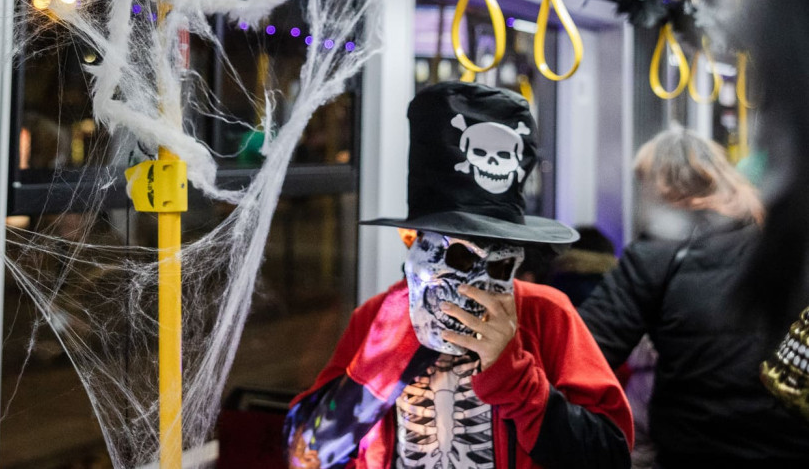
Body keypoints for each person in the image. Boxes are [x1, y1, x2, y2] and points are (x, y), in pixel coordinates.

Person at [285, 82, 632, 469]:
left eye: (498, 262)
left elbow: (608, 458)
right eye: (459, 257)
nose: (471, 285)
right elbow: (307, 456)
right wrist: (383, 359)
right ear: (412, 242)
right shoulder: (377, 319)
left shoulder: (545, 314)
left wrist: (514, 374)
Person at [579, 127, 809, 467]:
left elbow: (585, 352)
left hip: (695, 450)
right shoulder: (785, 242)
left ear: (656, 188)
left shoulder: (658, 254)